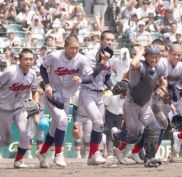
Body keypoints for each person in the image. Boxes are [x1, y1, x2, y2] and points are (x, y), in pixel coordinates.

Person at [36, 35, 89, 168]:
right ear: (65, 47)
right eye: (72, 48)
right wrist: (47, 84)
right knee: (63, 121)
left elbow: (90, 76)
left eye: (77, 48)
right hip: (53, 94)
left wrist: (82, 79)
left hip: (67, 97)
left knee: (55, 129)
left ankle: (41, 153)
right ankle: (58, 155)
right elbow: (42, 68)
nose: (75, 50)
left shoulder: (82, 59)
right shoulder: (55, 56)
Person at [112, 45, 168, 167]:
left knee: (154, 128)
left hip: (145, 104)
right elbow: (133, 64)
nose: (154, 60)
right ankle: (117, 134)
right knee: (134, 137)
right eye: (151, 57)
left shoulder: (160, 66)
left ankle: (149, 159)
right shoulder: (140, 66)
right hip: (132, 105)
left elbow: (164, 80)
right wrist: (143, 50)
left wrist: (163, 87)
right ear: (146, 56)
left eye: (156, 57)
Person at [79, 30, 115, 165]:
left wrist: (114, 87)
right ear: (101, 41)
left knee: (99, 125)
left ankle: (91, 157)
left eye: (112, 40)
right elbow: (88, 79)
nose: (110, 42)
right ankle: (96, 153)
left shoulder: (109, 57)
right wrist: (103, 62)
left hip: (100, 93)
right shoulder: (90, 56)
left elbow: (106, 77)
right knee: (98, 122)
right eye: (107, 39)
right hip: (87, 92)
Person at [0, 49, 39, 168]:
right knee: (5, 139)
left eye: (30, 59)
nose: (28, 61)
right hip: (3, 107)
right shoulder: (10, 71)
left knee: (26, 133)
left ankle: (19, 160)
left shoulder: (32, 74)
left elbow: (34, 91)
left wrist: (35, 105)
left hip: (21, 107)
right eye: (25, 59)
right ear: (20, 60)